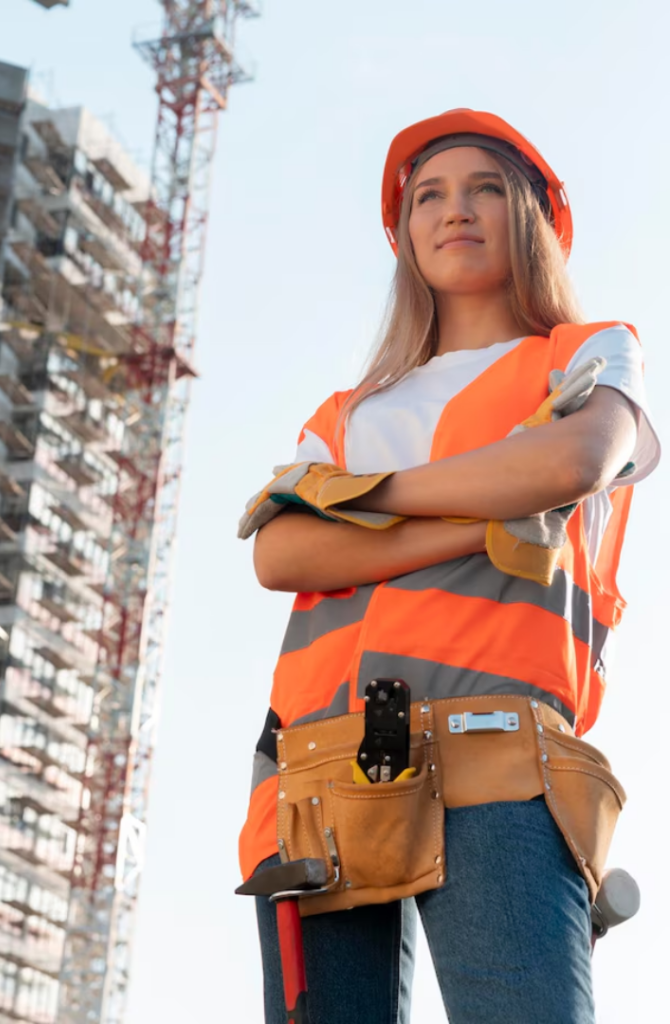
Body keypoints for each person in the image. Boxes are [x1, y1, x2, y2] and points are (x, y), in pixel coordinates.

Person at [238, 110, 660, 1024]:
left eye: (483, 189)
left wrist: (360, 502)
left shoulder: (586, 355)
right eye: (428, 195)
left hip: (499, 757)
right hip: (313, 767)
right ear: (404, 235)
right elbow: (281, 552)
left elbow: (569, 464)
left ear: (533, 216)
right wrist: (480, 524)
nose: (453, 210)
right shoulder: (347, 408)